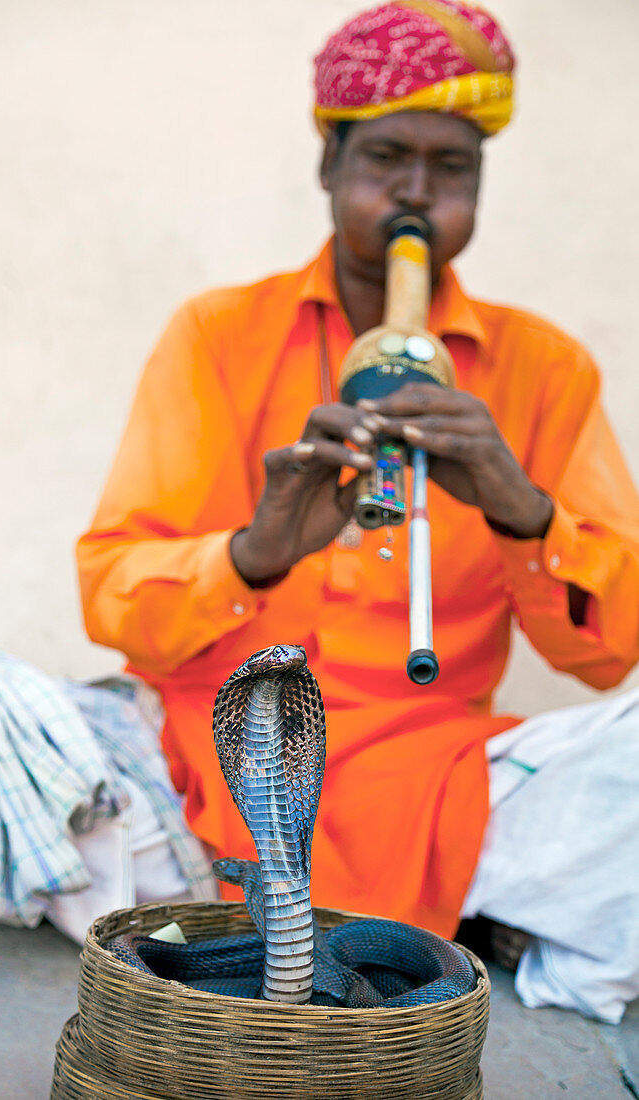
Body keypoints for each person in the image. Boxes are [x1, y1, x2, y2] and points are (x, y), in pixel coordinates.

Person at [76, 0, 639, 1022]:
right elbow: (111, 598)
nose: (416, 193)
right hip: (194, 762)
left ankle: (238, 915)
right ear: (327, 164)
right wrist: (253, 553)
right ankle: (415, 917)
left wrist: (521, 511)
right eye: (384, 156)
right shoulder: (216, 334)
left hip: (440, 780)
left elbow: (610, 657)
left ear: (479, 181)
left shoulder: (543, 367)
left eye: (451, 166)